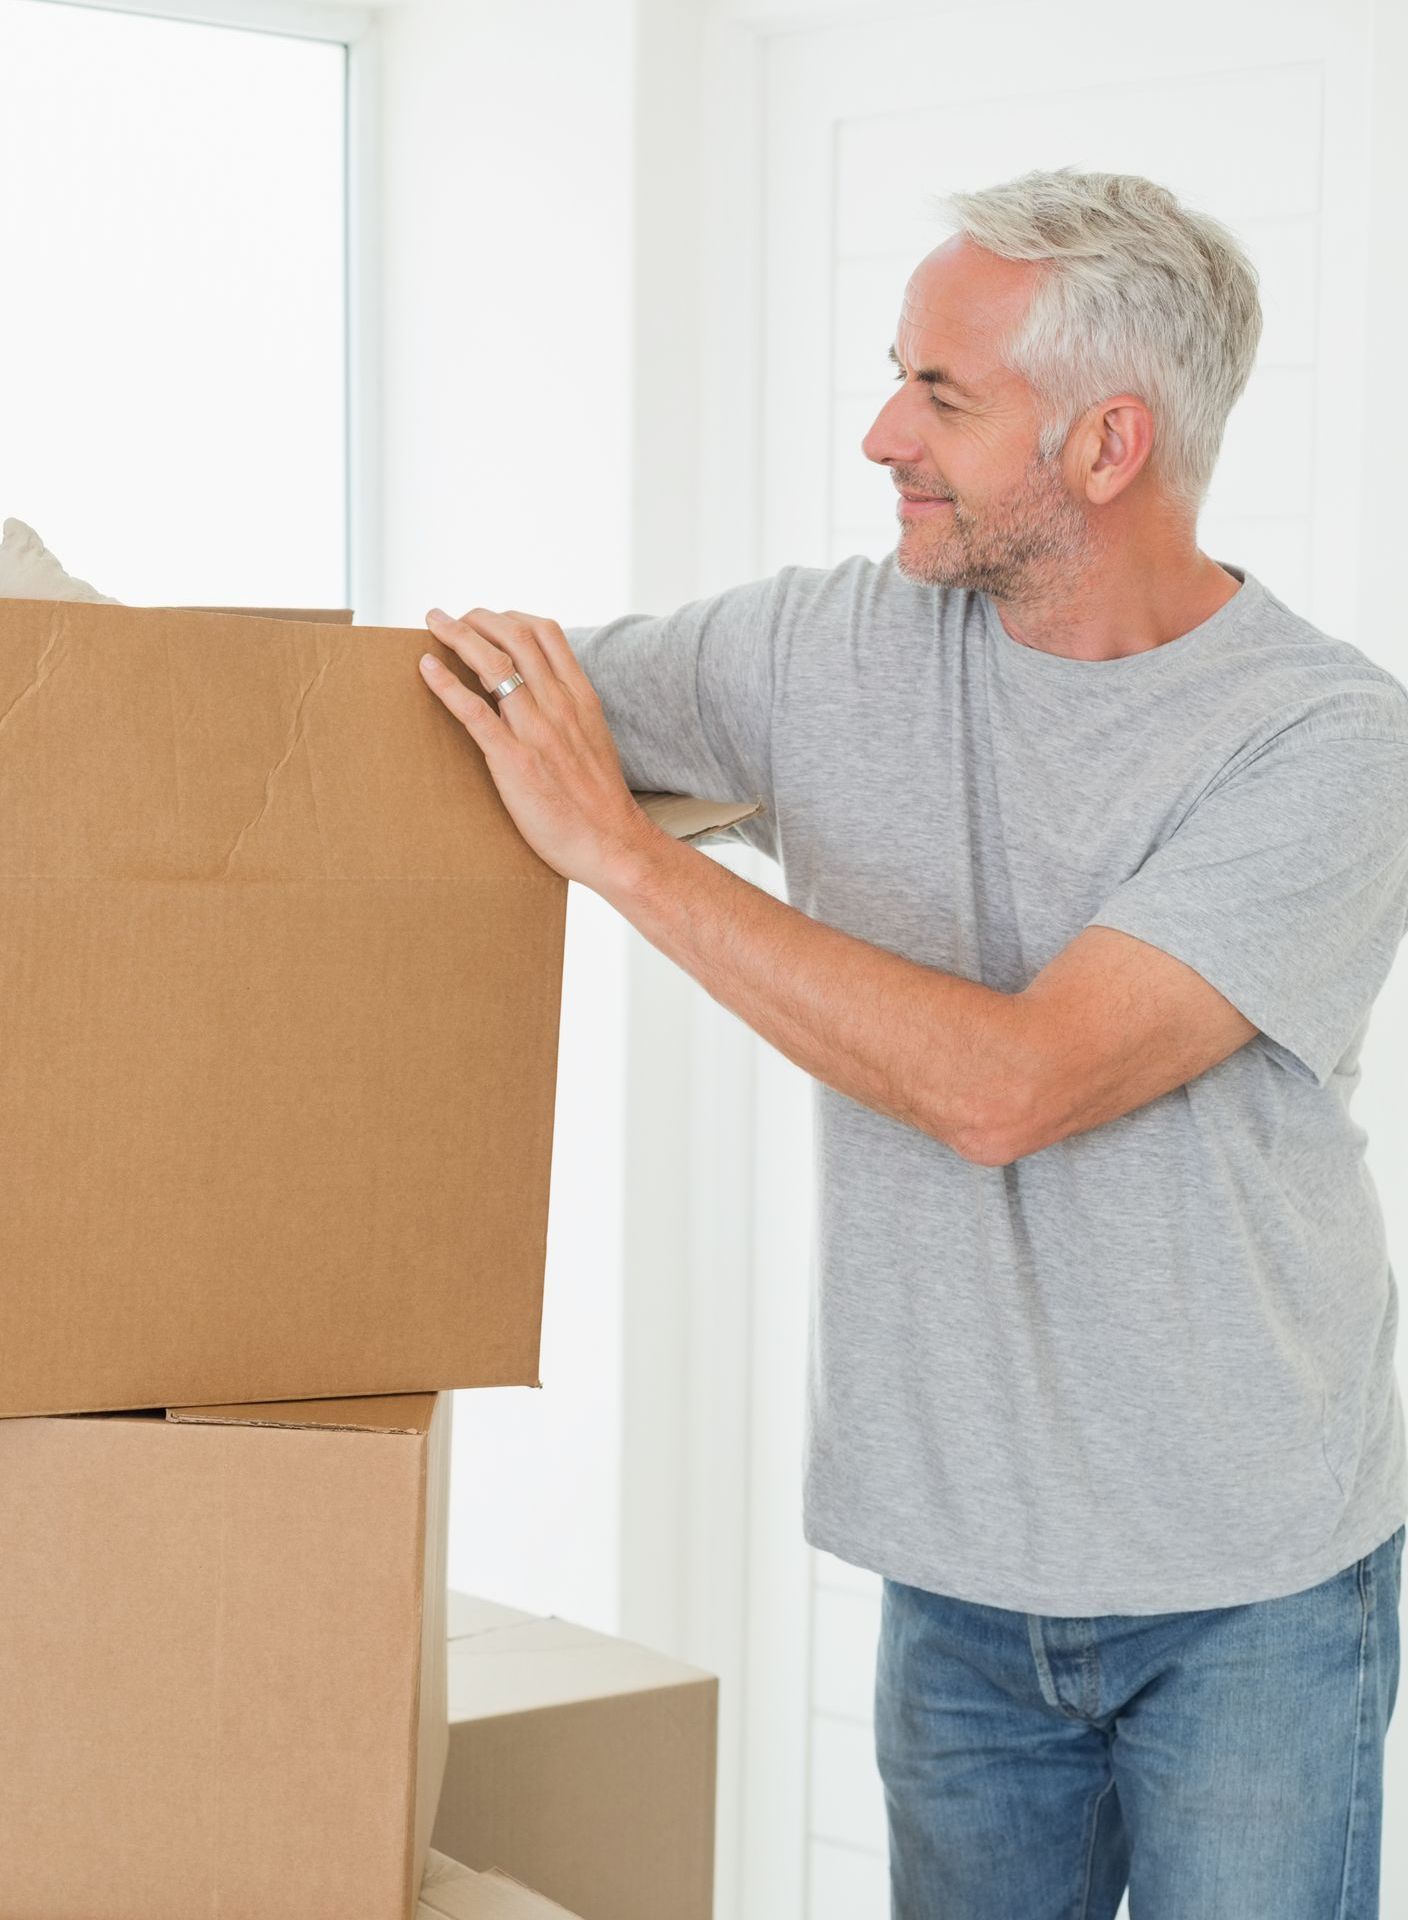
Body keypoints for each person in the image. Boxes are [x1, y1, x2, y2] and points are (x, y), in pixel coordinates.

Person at [417, 166, 1408, 1920]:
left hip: (1250, 1587)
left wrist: (627, 857)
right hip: (958, 1582)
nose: (885, 432)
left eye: (944, 396)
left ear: (1108, 447)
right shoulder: (822, 648)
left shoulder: (1326, 742)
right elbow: (476, 718)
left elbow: (1012, 1085)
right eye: (900, 374)